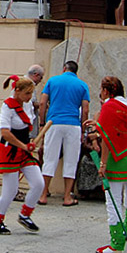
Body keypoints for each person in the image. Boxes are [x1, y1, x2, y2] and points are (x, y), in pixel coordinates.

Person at [86, 76, 127, 253]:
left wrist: (103, 163)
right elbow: (124, 130)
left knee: (113, 204)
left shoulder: (108, 106)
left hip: (117, 160)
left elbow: (107, 136)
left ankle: (116, 246)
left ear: (106, 91)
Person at [0, 77, 44, 235]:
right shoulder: (7, 106)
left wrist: (29, 144)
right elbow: (5, 133)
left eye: (31, 93)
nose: (29, 97)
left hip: (24, 150)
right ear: (17, 91)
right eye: (27, 93)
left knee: (38, 183)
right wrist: (23, 146)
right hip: (10, 150)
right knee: (11, 190)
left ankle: (25, 215)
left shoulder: (27, 104)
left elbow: (26, 129)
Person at [38, 60, 90, 206]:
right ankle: (67, 197)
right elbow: (85, 110)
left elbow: (42, 103)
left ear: (64, 69)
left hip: (53, 123)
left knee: (49, 159)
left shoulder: (52, 81)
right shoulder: (82, 85)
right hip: (73, 125)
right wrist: (83, 130)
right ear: (76, 71)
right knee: (71, 160)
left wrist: (42, 123)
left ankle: (43, 194)